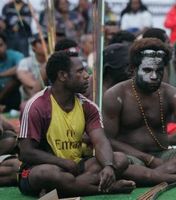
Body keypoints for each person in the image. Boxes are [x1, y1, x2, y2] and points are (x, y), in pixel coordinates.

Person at [17, 51, 135, 197]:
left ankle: (62, 189)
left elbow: (100, 141)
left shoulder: (88, 106)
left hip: (77, 167)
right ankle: (107, 188)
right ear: (62, 76)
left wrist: (108, 166)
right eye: (80, 71)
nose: (87, 75)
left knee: (119, 160)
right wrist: (62, 162)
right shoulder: (36, 106)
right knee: (48, 173)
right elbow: (26, 152)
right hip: (39, 170)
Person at [102, 38, 176, 186]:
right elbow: (108, 140)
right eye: (148, 70)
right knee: (117, 161)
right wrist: (148, 159)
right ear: (133, 69)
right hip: (131, 159)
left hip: (164, 156)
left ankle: (152, 177)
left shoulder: (172, 93)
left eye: (159, 70)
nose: (154, 76)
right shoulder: (116, 95)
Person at [17, 34, 48, 105]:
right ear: (33, 47)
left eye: (46, 41)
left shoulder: (54, 60)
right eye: (41, 42)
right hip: (34, 95)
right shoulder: (25, 62)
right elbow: (24, 79)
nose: (45, 44)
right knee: (25, 86)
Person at [0, 32, 24, 112]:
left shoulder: (15, 55)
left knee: (18, 77)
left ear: (6, 45)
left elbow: (22, 66)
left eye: (0, 45)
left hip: (12, 94)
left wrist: (1, 75)